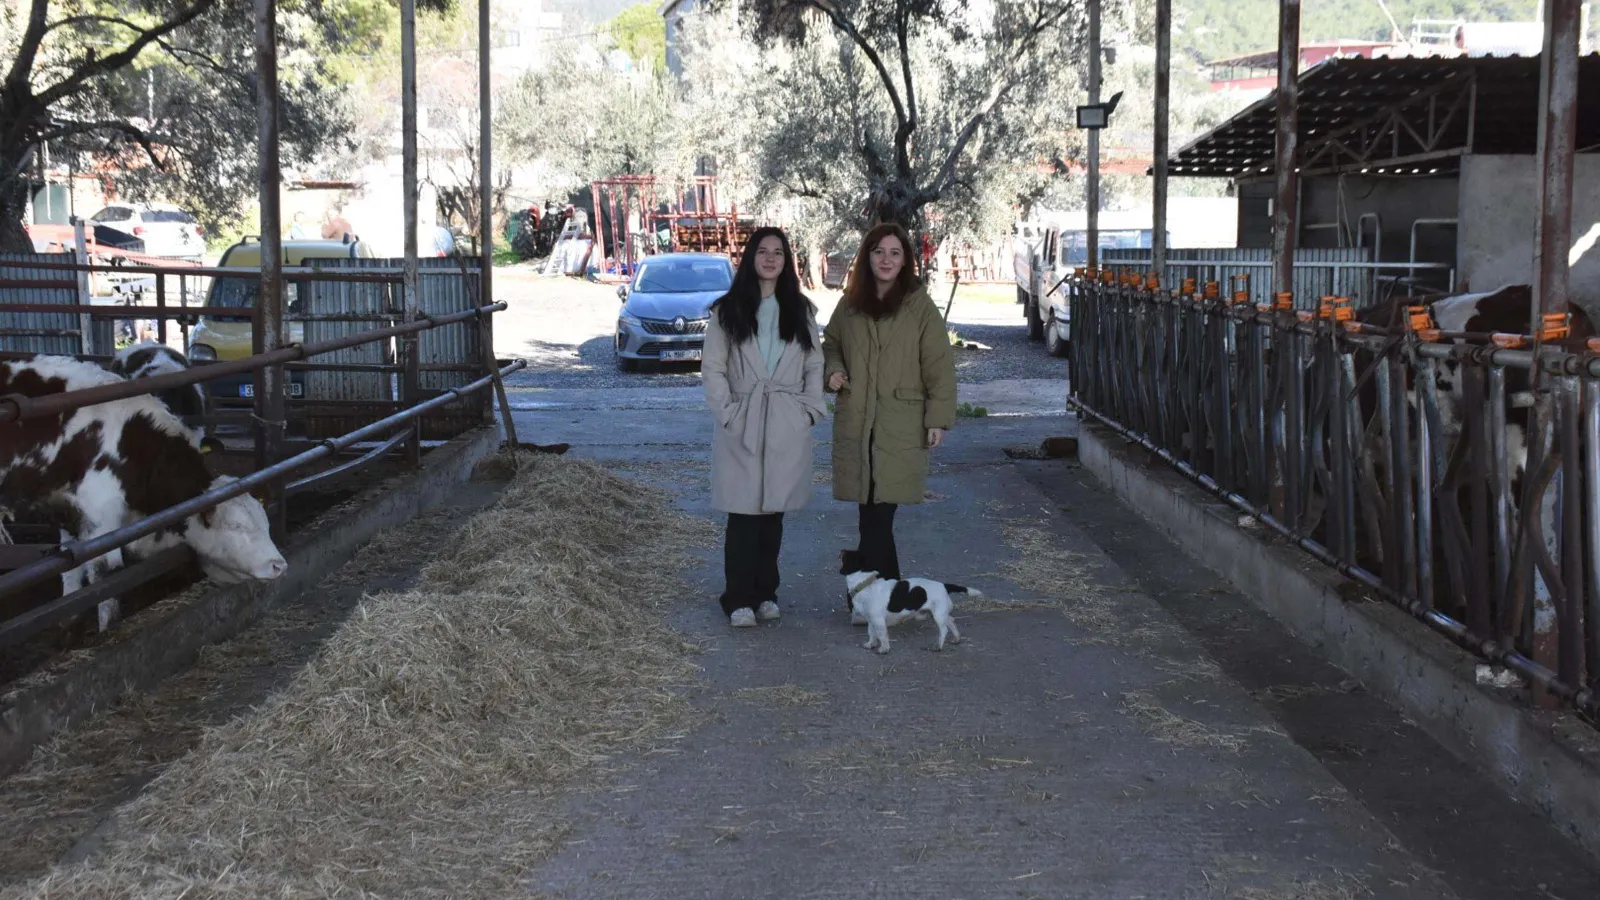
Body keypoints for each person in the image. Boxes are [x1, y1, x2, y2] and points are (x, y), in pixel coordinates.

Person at [702, 227, 827, 628]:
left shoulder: (801, 310)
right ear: (751, 257)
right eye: (763, 251)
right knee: (743, 515)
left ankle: (766, 592)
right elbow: (713, 368)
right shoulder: (727, 310)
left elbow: (814, 365)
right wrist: (727, 413)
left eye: (779, 252)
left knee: (774, 514)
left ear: (787, 261)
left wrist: (809, 412)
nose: (771, 259)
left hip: (786, 420)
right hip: (744, 418)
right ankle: (737, 598)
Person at [822, 222, 957, 583]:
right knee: (870, 514)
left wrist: (937, 419)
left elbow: (939, 365)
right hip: (857, 423)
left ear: (905, 261)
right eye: (879, 251)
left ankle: (874, 596)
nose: (886, 259)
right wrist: (832, 371)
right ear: (867, 256)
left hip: (901, 425)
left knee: (879, 515)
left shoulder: (919, 307)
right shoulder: (849, 305)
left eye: (895, 253)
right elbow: (830, 345)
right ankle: (884, 597)